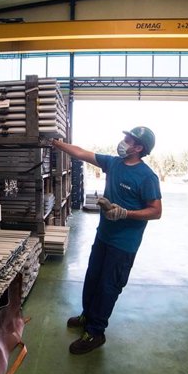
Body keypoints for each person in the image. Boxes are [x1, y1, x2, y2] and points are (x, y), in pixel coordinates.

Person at [50, 126, 162, 354]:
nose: (123, 141)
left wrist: (125, 213)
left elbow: (156, 211)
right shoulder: (113, 163)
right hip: (104, 237)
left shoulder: (147, 177)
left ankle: (96, 332)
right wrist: (57, 143)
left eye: (128, 139)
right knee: (92, 278)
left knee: (108, 286)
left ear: (138, 148)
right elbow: (81, 152)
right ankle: (87, 315)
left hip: (124, 245)